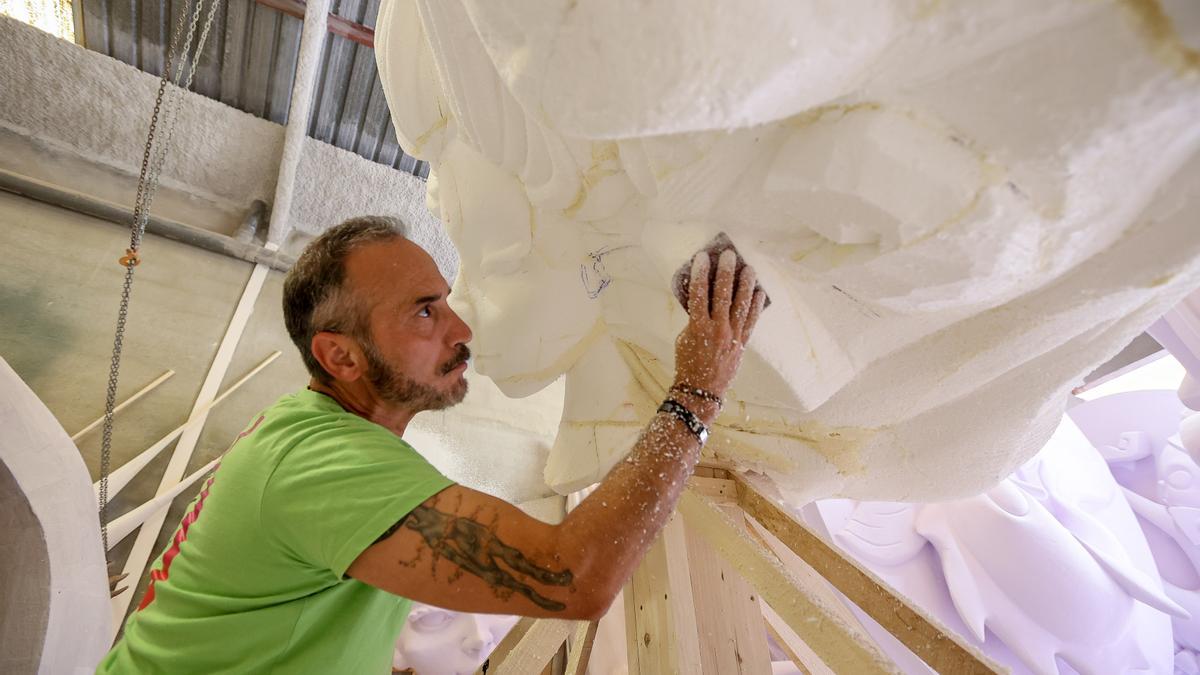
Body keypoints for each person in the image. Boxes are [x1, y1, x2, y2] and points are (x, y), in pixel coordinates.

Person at [97, 215, 766, 673]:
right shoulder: (323, 464)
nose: (460, 327)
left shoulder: (316, 436)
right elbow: (573, 577)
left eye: (444, 300)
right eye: (425, 310)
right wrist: (698, 389)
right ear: (341, 355)